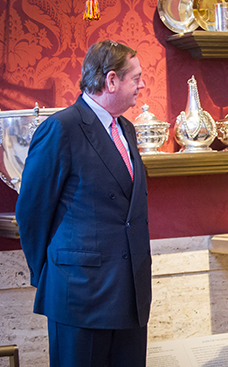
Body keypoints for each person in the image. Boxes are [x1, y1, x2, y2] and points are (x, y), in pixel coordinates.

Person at [15, 39, 151, 367]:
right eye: (136, 77)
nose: (142, 85)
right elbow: (31, 212)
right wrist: (52, 275)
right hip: (79, 297)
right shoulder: (61, 129)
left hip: (129, 294)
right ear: (111, 80)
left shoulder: (127, 130)